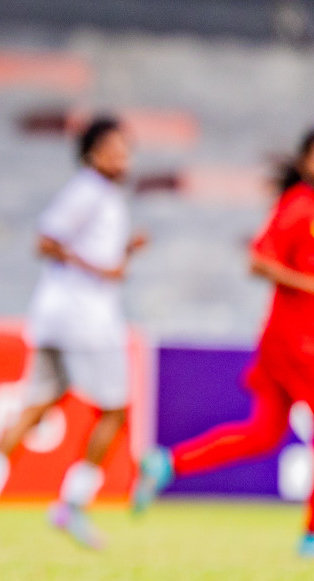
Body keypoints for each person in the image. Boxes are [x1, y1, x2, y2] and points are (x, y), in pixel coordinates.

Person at [0, 116, 148, 550]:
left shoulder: (102, 196)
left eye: (125, 149)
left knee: (36, 406)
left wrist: (122, 252)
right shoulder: (88, 191)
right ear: (92, 154)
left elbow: (80, 249)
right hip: (85, 318)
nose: (124, 157)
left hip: (55, 314)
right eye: (115, 149)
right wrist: (104, 267)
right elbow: (46, 241)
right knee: (116, 410)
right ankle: (72, 505)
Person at [134, 129, 314, 555]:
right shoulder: (300, 205)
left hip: (287, 342)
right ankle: (310, 533)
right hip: (296, 343)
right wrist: (307, 283)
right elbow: (258, 261)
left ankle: (167, 463)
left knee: (262, 435)